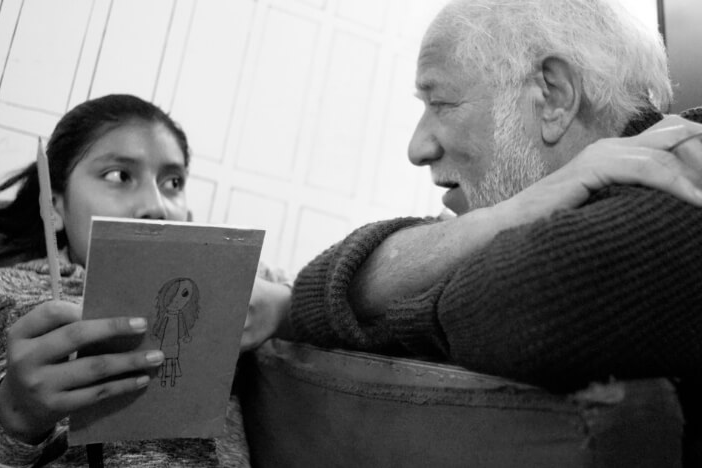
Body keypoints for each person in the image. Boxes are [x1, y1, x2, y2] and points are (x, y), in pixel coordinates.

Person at [260, 0, 702, 459]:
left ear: (553, 97)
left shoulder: (690, 162)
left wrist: (376, 302)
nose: (418, 147)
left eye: (442, 103)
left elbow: (524, 297)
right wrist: (507, 216)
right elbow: (322, 285)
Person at [0, 94, 288, 467]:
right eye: (119, 176)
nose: (156, 205)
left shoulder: (236, 283)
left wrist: (285, 306)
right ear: (56, 206)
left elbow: (358, 300)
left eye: (173, 182)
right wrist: (14, 416)